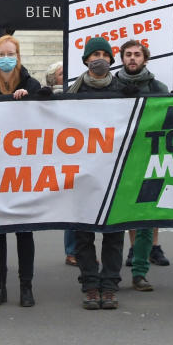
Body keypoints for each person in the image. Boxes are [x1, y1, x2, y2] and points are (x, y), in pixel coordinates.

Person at [0, 35, 41, 308]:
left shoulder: (31, 83)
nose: (6, 57)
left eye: (10, 53)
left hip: (24, 168)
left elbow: (47, 110)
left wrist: (31, 97)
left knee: (25, 232)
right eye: (1, 53)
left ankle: (27, 287)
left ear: (18, 55)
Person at [69, 36, 126, 310]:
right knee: (83, 235)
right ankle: (90, 285)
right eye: (94, 54)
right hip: (83, 174)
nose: (99, 58)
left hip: (116, 173)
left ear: (111, 60)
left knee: (113, 233)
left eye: (104, 54)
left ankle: (110, 285)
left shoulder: (125, 90)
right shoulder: (73, 92)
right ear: (85, 60)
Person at [112, 40, 171, 292]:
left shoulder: (158, 87)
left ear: (145, 59)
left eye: (137, 55)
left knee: (147, 217)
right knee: (119, 216)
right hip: (118, 160)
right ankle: (113, 271)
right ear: (122, 58)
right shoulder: (111, 86)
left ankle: (139, 272)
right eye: (128, 55)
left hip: (149, 158)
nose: (133, 58)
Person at [47, 61, 78, 267]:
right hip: (57, 156)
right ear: (52, 79)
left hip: (75, 153)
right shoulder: (47, 98)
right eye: (60, 73)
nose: (65, 76)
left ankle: (81, 250)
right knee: (72, 208)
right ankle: (72, 250)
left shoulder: (78, 94)